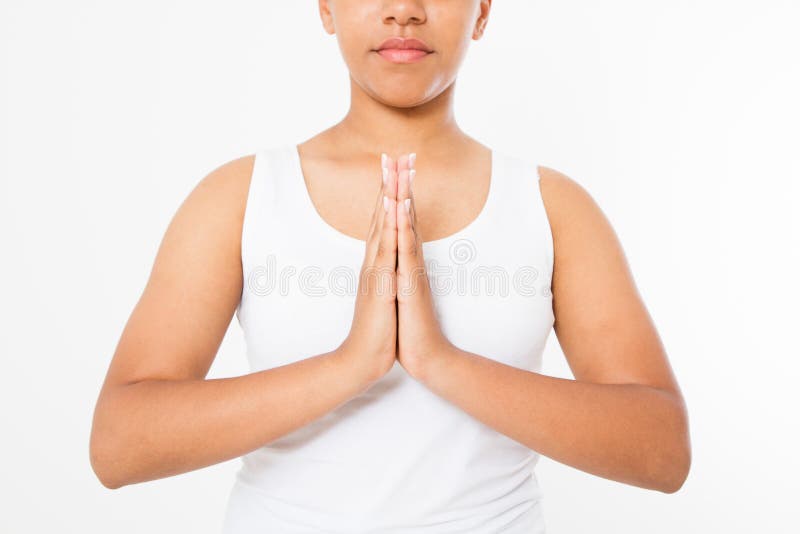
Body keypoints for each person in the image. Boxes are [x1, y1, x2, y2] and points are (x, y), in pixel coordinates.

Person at [89, 1, 691, 532]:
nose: (404, 9)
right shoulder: (239, 197)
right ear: (326, 8)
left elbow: (662, 453)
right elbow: (119, 446)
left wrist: (439, 361)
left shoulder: (552, 206)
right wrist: (353, 364)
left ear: (482, 11)